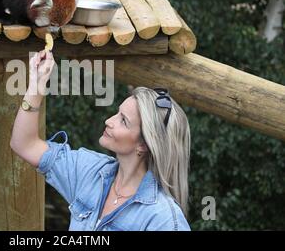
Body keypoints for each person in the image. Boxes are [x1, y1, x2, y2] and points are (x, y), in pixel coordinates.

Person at [10, 49, 191, 231]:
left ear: (143, 144)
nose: (109, 121)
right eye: (117, 113)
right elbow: (25, 144)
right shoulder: (90, 172)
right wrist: (37, 84)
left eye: (123, 121)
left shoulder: (163, 219)